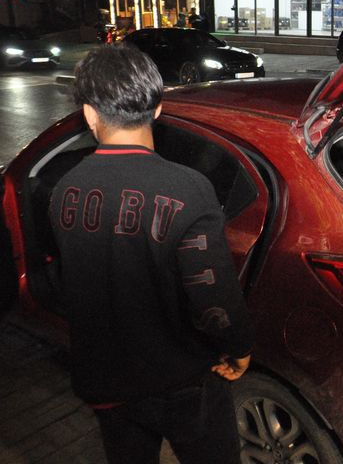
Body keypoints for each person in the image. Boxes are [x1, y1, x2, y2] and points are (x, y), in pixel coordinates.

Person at [49, 44, 254, 464]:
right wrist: (239, 346)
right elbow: (212, 292)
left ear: (89, 114)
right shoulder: (189, 189)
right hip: (183, 380)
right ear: (157, 108)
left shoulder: (62, 191)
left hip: (107, 384)